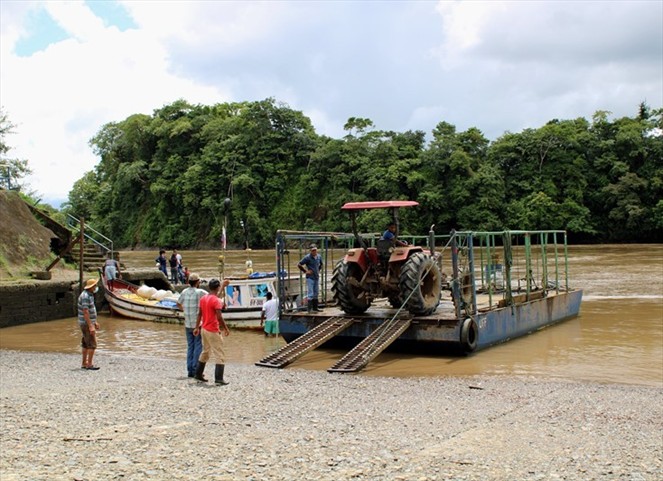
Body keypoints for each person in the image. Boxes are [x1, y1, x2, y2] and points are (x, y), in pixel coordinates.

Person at [193, 278, 231, 385]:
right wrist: (226, 328)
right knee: (219, 354)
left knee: (206, 351)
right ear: (217, 287)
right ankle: (219, 378)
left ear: (209, 287)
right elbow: (219, 316)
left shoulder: (204, 298)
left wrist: (196, 327)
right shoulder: (216, 300)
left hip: (204, 329)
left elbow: (200, 314)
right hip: (213, 330)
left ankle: (198, 374)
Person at [176, 273, 208, 378]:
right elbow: (212, 296)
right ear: (198, 282)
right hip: (197, 324)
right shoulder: (200, 292)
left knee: (190, 346)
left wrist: (185, 311)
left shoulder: (184, 292)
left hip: (188, 323)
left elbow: (178, 303)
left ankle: (190, 370)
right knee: (198, 346)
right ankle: (195, 369)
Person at [78, 278, 100, 370]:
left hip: (86, 322)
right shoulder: (86, 296)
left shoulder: (89, 295)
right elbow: (85, 311)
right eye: (94, 285)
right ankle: (89, 364)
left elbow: (90, 311)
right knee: (92, 344)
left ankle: (84, 363)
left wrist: (95, 322)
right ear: (91, 287)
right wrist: (91, 325)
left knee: (85, 343)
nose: (96, 287)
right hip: (86, 323)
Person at [298, 244, 323, 312]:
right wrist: (306, 271)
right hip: (310, 278)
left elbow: (321, 264)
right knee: (310, 293)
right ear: (310, 251)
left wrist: (318, 270)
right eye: (313, 250)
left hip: (316, 277)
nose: (314, 251)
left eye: (315, 250)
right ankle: (309, 309)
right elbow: (299, 264)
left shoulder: (319, 256)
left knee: (316, 293)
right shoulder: (307, 257)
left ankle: (315, 308)